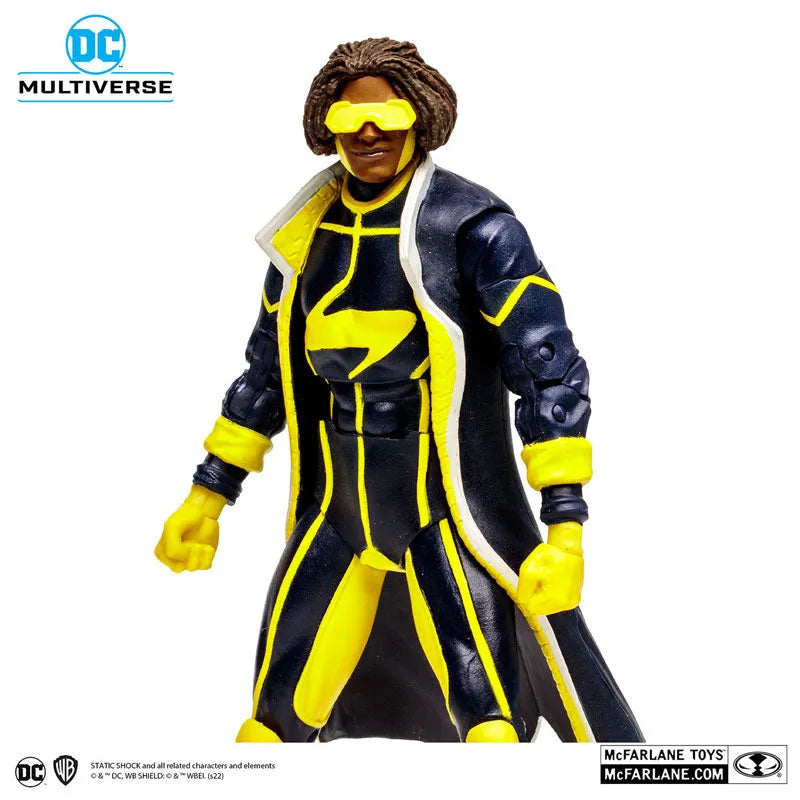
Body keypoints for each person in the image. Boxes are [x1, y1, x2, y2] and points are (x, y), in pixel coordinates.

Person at [155, 37, 643, 744]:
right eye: (348, 120)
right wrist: (207, 496)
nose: (368, 134)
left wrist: (566, 529)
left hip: (443, 512)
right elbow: (266, 374)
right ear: (325, 126)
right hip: (336, 509)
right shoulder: (303, 238)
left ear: (422, 117)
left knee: (490, 719)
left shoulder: (473, 228)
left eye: (386, 116)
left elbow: (547, 370)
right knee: (270, 721)